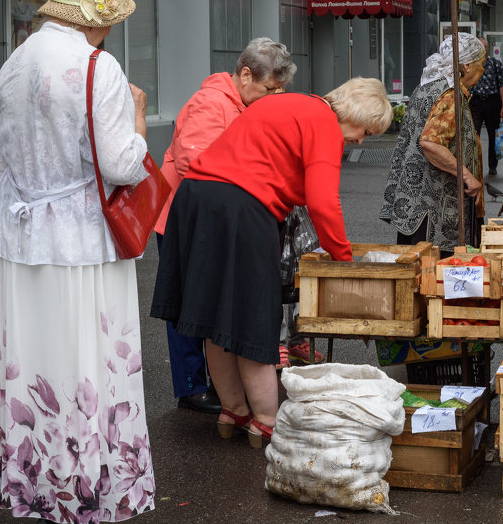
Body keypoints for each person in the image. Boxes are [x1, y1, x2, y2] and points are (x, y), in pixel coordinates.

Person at [0, 0, 152, 524]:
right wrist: (137, 121)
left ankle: (43, 518)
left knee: (38, 372)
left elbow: (1, 168)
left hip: (26, 244)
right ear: (99, 19)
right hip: (81, 242)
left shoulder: (13, 64)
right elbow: (120, 165)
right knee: (90, 373)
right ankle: (84, 522)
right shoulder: (95, 66)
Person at [151, 78, 392, 446]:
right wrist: (345, 262)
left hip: (196, 197)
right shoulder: (324, 124)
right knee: (253, 323)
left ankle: (233, 409)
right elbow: (324, 202)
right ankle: (266, 420)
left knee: (216, 320)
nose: (360, 141)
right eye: (364, 131)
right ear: (354, 114)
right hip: (241, 208)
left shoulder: (285, 103)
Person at [153, 38, 295, 414]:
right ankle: (190, 387)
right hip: (185, 222)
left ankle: (215, 387)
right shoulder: (211, 102)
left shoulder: (236, 101)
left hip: (208, 222)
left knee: (206, 307)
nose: (270, 97)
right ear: (245, 75)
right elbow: (193, 163)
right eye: (268, 89)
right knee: (188, 309)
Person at [382, 33, 487, 251]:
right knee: (435, 276)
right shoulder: (450, 94)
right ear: (467, 65)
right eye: (482, 64)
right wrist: (468, 177)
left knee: (415, 272)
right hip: (435, 210)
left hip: (415, 205)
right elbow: (430, 143)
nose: (483, 70)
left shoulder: (427, 86)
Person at [468, 37, 503, 177]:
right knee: (473, 135)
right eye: (481, 46)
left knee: (493, 136)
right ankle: (473, 165)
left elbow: (502, 86)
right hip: (476, 102)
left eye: (485, 46)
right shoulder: (470, 64)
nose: (484, 49)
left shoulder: (495, 64)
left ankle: (492, 166)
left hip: (492, 102)